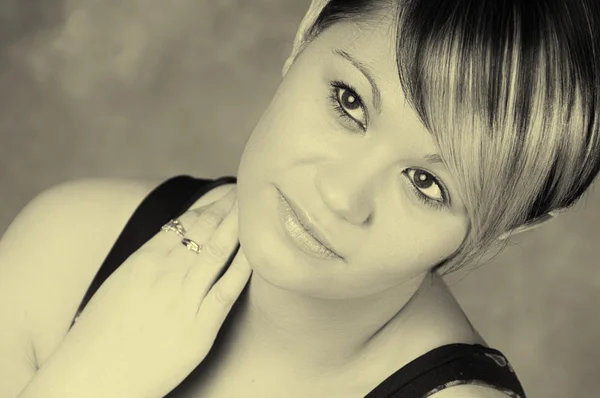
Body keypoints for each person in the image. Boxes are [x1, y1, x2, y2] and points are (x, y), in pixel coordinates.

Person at [2, 0, 599, 397]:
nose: (341, 195)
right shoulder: (70, 242)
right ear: (306, 32)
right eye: (350, 102)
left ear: (503, 231)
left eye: (427, 184)